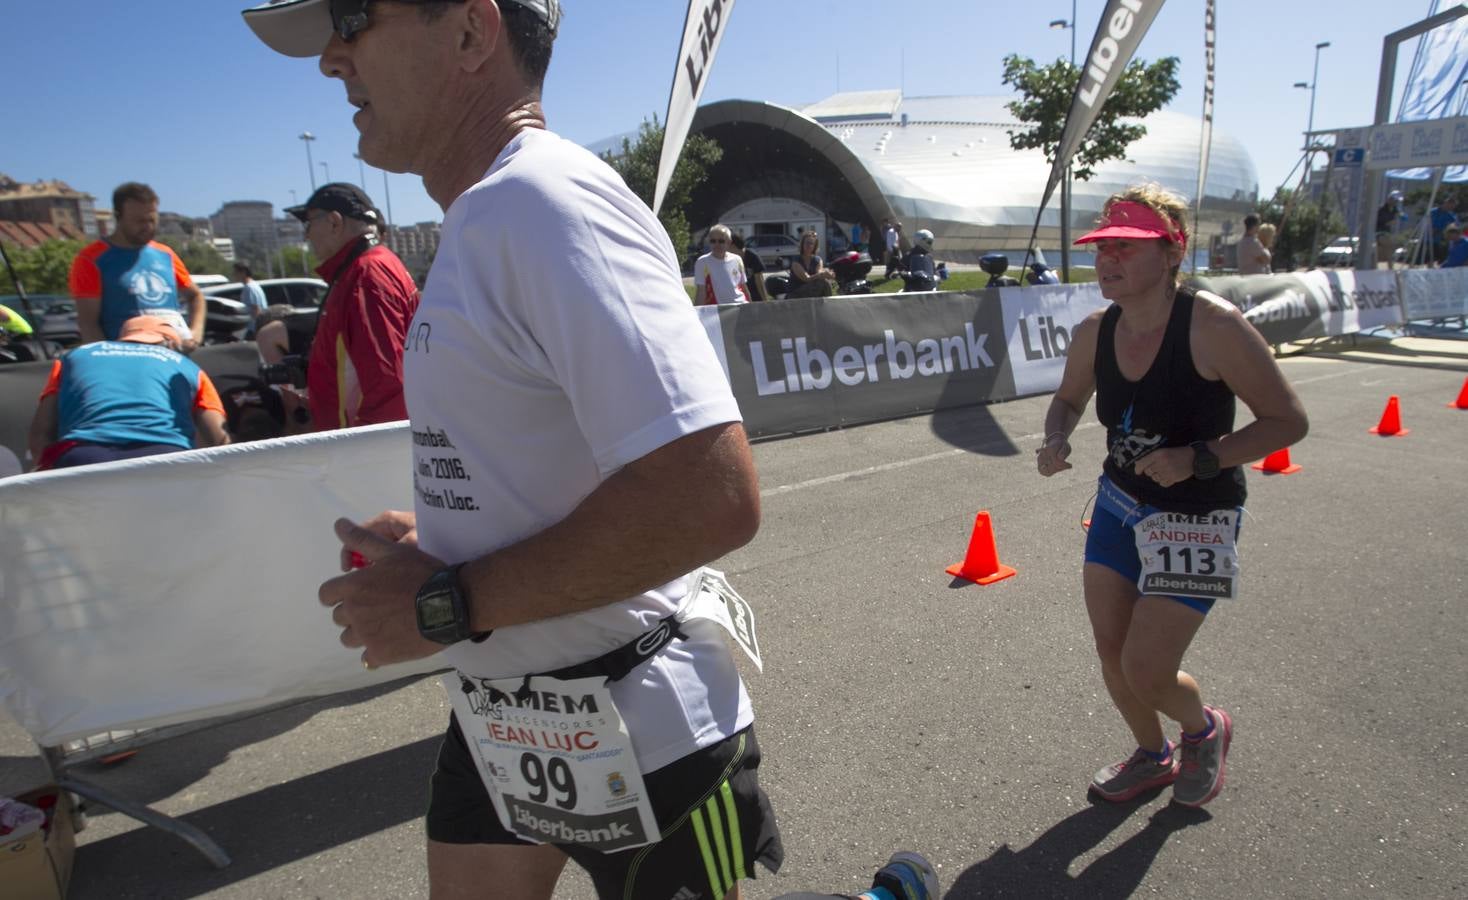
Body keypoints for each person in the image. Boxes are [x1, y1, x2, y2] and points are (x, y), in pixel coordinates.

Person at [245, 1, 784, 898]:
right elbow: (558, 463)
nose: (333, 58)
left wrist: (443, 605)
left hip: (641, 720)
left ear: (469, 32)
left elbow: (710, 495)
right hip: (504, 717)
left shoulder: (542, 201)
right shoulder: (481, 219)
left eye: (354, 17)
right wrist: (447, 534)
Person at [1035, 185, 1308, 809]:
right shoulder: (1093, 331)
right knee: (1112, 653)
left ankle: (1202, 728)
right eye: (1103, 246)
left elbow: (1287, 423)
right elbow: (1069, 399)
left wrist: (1199, 457)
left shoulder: (1213, 326)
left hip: (1199, 519)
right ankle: (1152, 755)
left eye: (1126, 247)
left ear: (1170, 253)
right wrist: (1056, 438)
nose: (1108, 259)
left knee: (1147, 669)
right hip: (1117, 506)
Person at [279, 181, 419, 432]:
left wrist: (361, 457)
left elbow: (388, 385)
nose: (307, 234)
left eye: (309, 224)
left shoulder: (365, 275)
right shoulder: (371, 267)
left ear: (334, 222)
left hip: (362, 451)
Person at [27, 316, 229, 470]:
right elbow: (220, 439)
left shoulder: (74, 357)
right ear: (170, 343)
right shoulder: (188, 366)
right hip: (166, 458)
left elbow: (40, 434)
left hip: (82, 458)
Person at [68, 182, 205, 351]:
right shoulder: (91, 260)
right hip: (126, 361)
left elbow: (195, 296)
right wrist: (106, 359)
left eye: (152, 220)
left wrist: (194, 335)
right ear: (118, 217)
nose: (147, 227)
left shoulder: (165, 254)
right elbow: (88, 323)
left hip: (172, 359)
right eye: (139, 221)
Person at [692, 224, 751, 305]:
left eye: (721, 241)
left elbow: (744, 287)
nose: (717, 244)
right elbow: (701, 291)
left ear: (729, 242)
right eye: (713, 241)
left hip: (740, 306)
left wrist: (751, 308)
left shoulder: (737, 259)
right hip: (718, 310)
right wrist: (697, 313)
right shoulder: (702, 262)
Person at [788, 230, 836, 299]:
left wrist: (828, 275)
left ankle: (828, 305)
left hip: (811, 291)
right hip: (795, 293)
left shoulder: (817, 260)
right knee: (822, 282)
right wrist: (821, 275)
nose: (809, 245)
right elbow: (806, 278)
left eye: (811, 243)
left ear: (814, 246)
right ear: (802, 244)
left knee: (824, 281)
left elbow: (819, 273)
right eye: (807, 243)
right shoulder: (796, 261)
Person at [234, 262, 269, 338]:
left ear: (243, 272)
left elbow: (256, 309)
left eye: (236, 272)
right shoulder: (254, 285)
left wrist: (257, 331)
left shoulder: (249, 288)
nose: (234, 275)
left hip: (254, 329)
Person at [731, 233, 769, 302]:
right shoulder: (730, 260)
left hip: (755, 297)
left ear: (733, 246)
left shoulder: (753, 257)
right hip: (739, 298)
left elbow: (760, 282)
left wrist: (765, 301)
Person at [1375, 190, 1405, 266]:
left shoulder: (1394, 209)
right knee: (1390, 245)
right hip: (1378, 232)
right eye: (1395, 200)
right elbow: (1380, 222)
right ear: (1390, 199)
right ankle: (1390, 266)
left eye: (1397, 201)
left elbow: (1402, 216)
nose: (1396, 203)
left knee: (1385, 250)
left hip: (1387, 233)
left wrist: (1402, 215)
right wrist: (1391, 222)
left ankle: (1388, 266)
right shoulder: (1381, 210)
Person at [1429, 195, 1459, 262]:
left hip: (1440, 239)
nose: (1451, 208)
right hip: (1427, 238)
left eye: (1453, 207)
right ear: (1446, 203)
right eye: (1450, 206)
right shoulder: (1433, 212)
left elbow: (1455, 227)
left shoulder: (1451, 216)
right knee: (1428, 256)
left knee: (1440, 257)